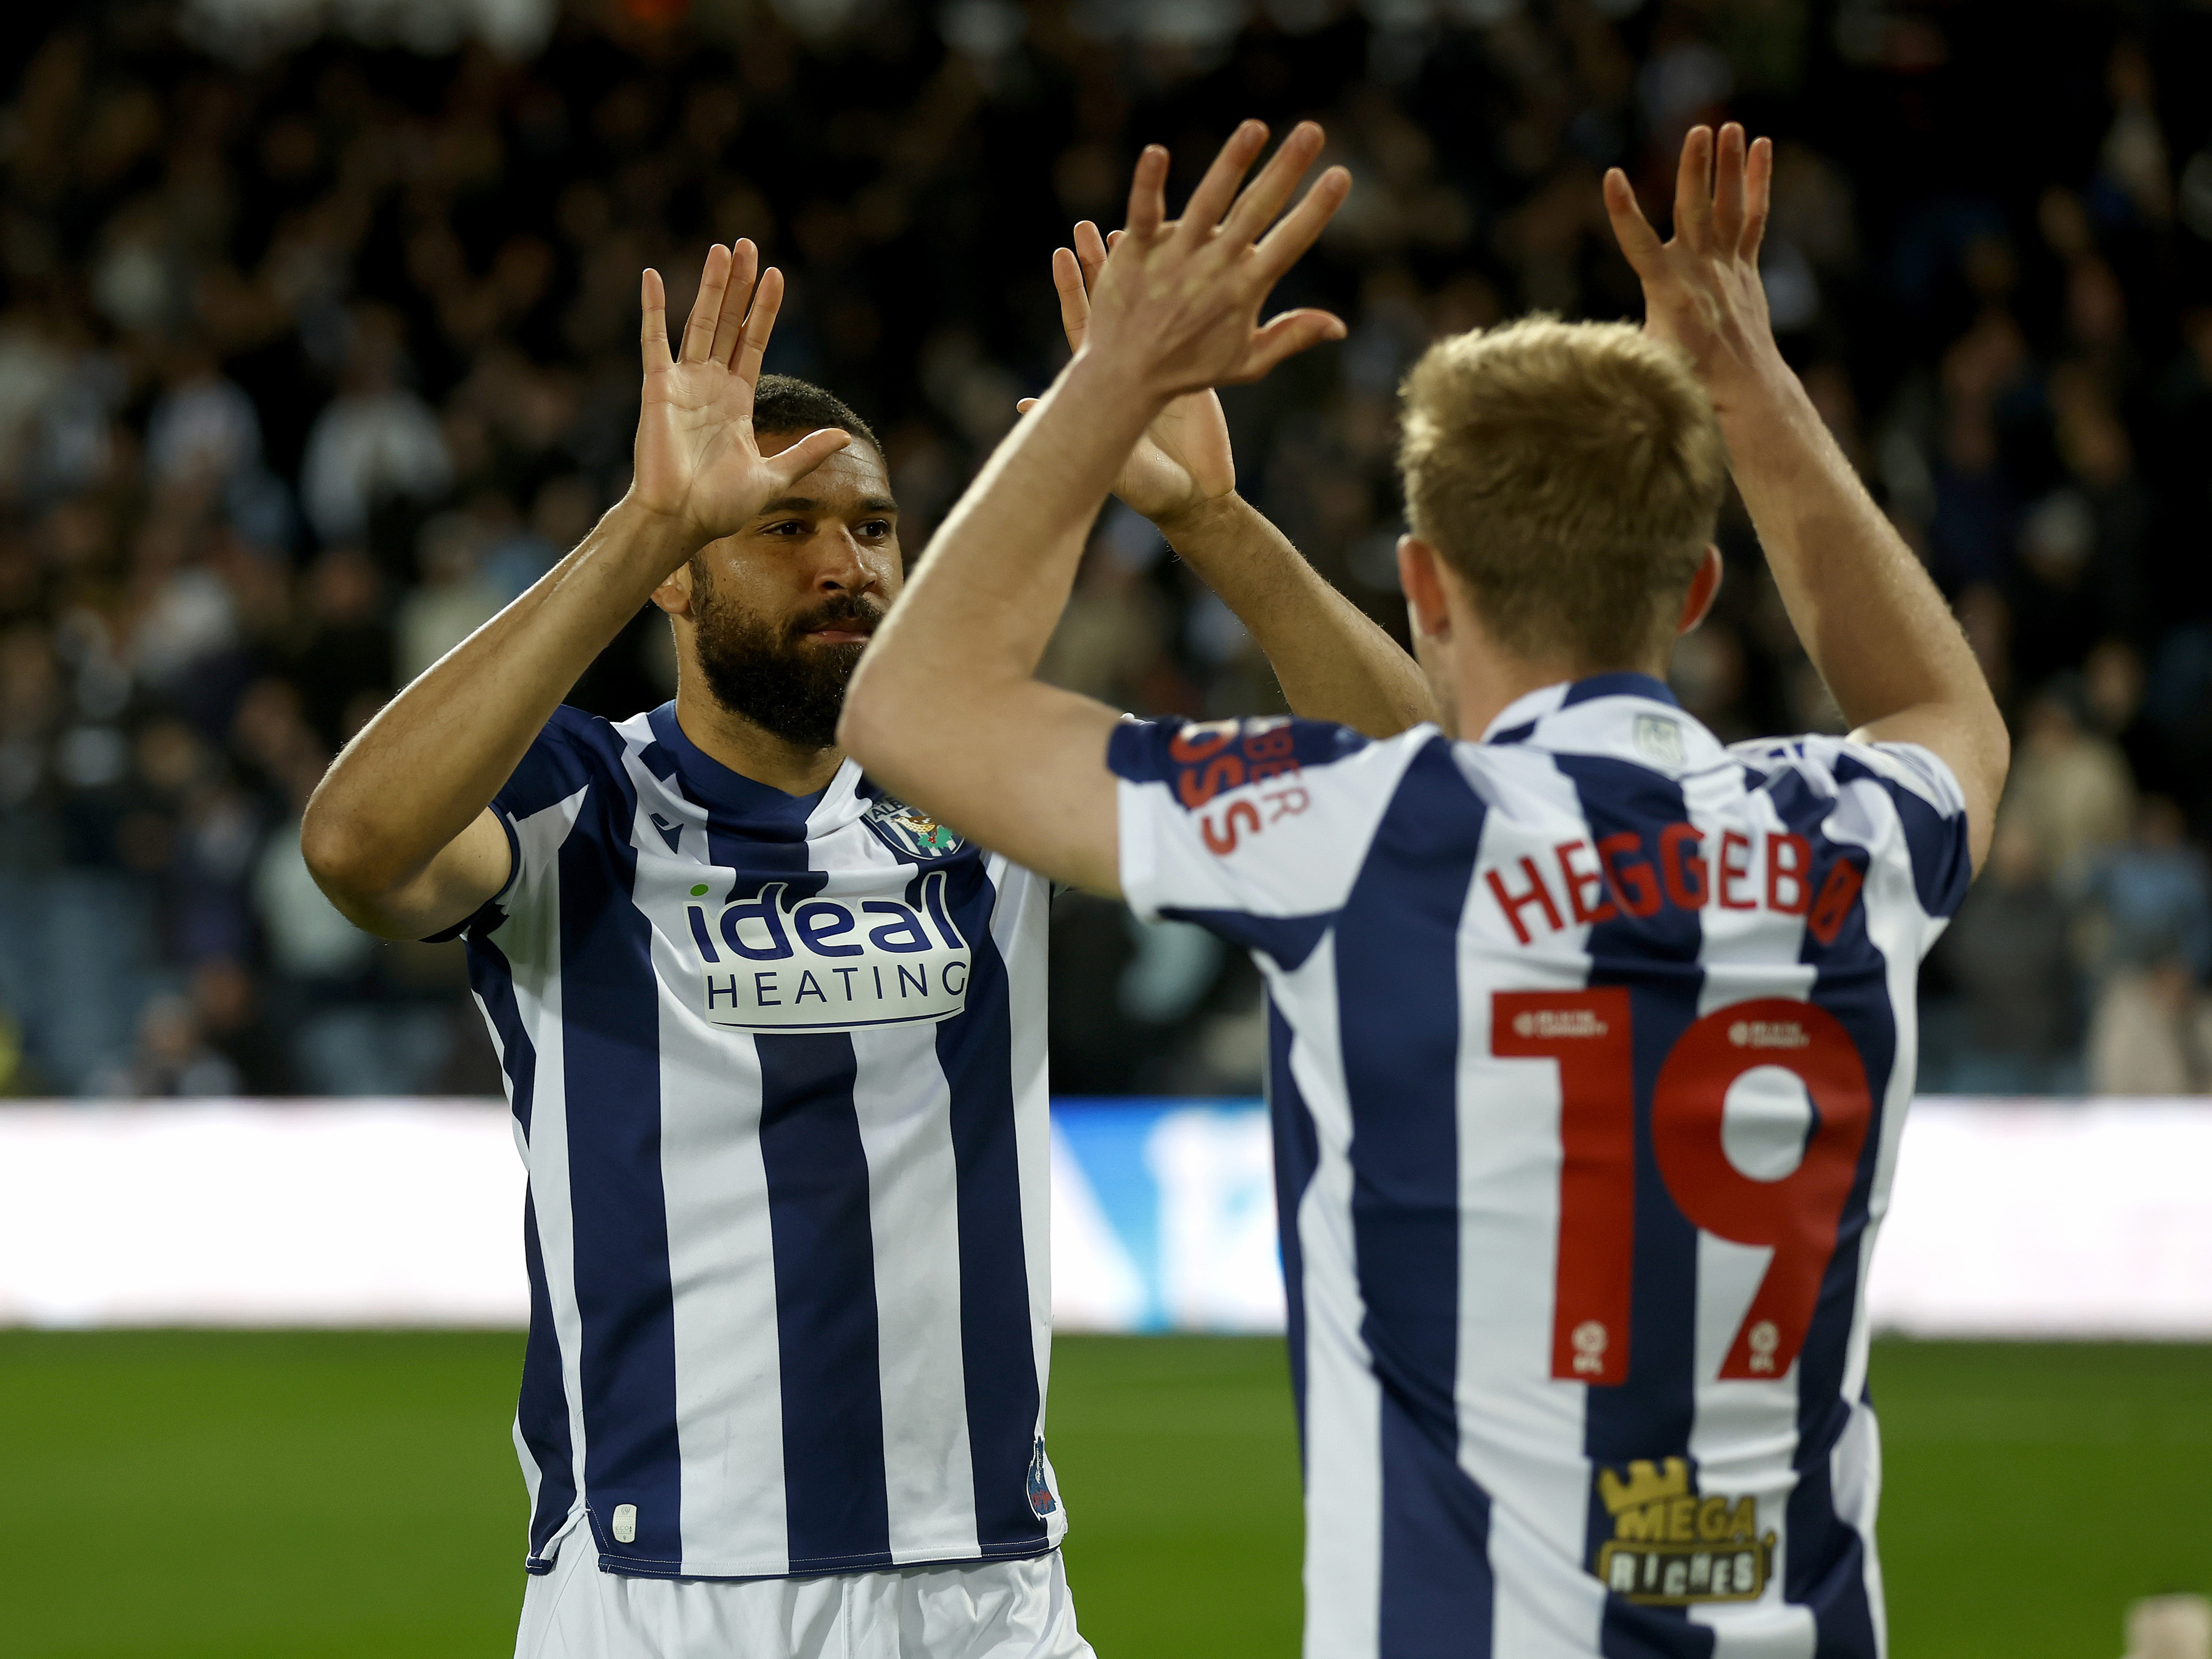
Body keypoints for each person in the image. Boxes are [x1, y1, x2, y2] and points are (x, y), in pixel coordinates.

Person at [840, 121, 2009, 1657]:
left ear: (1427, 583)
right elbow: (1953, 719)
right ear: (1699, 588)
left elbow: (909, 712)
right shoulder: (1851, 836)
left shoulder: (1362, 834)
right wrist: (1748, 383)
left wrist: (1113, 378)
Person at [301, 200, 1428, 1656]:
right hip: (661, 1597)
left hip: (989, 1596)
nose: (848, 565)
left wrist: (1215, 523)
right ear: (683, 576)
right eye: (784, 528)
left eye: (875, 527)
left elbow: (1427, 795)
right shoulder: (576, 800)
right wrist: (645, 518)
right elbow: (353, 845)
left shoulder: (993, 787)